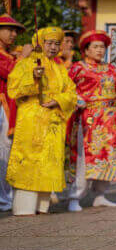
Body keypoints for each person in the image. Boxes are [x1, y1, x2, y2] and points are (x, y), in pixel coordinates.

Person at [66, 30, 116, 212]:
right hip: (88, 120)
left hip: (108, 120)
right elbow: (66, 88)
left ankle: (100, 195)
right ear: (85, 50)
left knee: (107, 157)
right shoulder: (78, 68)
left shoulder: (111, 69)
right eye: (95, 47)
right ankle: (74, 197)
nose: (99, 50)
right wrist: (76, 100)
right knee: (86, 158)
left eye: (102, 47)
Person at [6, 27, 77, 215]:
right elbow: (13, 90)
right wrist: (33, 78)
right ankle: (24, 208)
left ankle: (42, 206)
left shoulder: (60, 69)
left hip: (53, 123)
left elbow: (71, 93)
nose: (53, 48)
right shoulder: (26, 64)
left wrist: (58, 100)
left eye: (56, 44)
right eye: (49, 43)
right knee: (30, 162)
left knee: (48, 162)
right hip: (32, 121)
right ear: (40, 44)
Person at [0, 15, 27, 211]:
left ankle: (5, 196)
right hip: (2, 105)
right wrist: (23, 58)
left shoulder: (12, 54)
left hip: (9, 107)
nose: (14, 34)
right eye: (9, 29)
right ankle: (4, 198)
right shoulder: (9, 57)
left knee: (6, 152)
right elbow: (10, 73)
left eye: (15, 30)